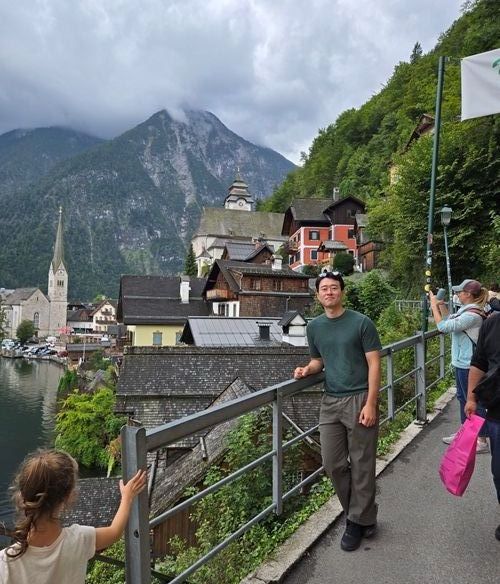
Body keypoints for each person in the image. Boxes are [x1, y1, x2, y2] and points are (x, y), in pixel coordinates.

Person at [294, 271, 381, 552]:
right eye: (324, 289)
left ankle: (355, 521)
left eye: (334, 288)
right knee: (332, 464)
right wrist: (307, 370)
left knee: (362, 463)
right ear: (318, 295)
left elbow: (375, 364)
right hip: (330, 400)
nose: (329, 292)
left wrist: (371, 403)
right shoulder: (314, 327)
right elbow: (318, 360)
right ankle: (363, 514)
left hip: (359, 398)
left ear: (342, 292)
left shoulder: (361, 323)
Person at [0, 449, 146, 584]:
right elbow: (115, 532)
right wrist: (127, 497)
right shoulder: (79, 539)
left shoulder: (5, 563)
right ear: (69, 496)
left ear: (22, 495)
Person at [429, 279, 489, 452]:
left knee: (474, 401)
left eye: (459, 292)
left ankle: (481, 440)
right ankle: (466, 433)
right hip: (463, 362)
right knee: (464, 399)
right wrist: (441, 305)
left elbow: (443, 326)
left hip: (469, 365)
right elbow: (450, 319)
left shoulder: (472, 315)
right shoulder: (468, 311)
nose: (456, 294)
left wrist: (433, 306)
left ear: (468, 294)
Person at [464, 311, 500, 541]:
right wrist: (471, 398)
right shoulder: (493, 323)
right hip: (498, 412)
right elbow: (479, 363)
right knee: (499, 472)